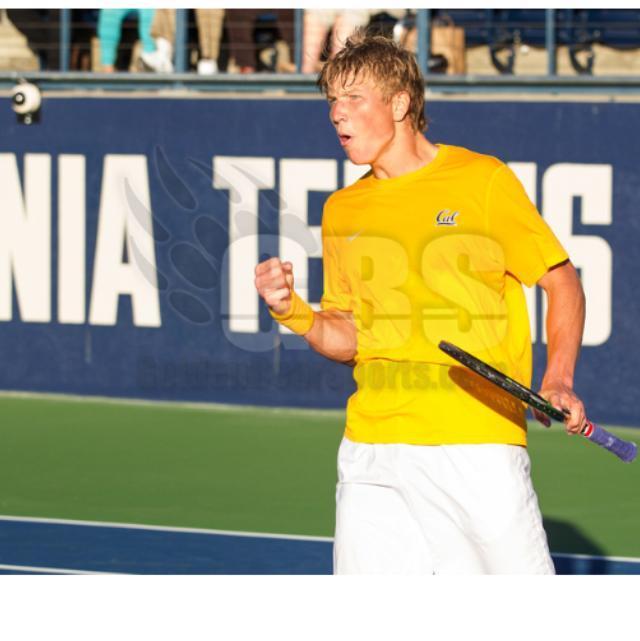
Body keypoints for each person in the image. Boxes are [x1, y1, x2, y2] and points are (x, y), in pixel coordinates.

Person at [254, 30, 587, 574]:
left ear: (401, 104)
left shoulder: (483, 180)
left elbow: (562, 282)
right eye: (332, 102)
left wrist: (558, 379)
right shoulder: (343, 209)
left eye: (354, 99)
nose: (338, 115)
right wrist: (295, 311)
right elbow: (349, 336)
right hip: (371, 448)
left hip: (474, 446)